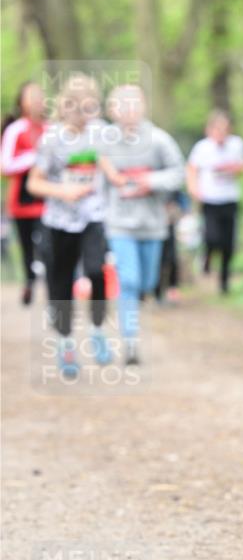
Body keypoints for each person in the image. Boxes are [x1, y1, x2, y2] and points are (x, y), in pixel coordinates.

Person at [27, 73, 111, 376]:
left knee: (95, 272)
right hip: (59, 222)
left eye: (91, 108)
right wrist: (63, 191)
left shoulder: (101, 132)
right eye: (79, 109)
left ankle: (98, 331)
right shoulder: (51, 139)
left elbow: (110, 159)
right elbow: (33, 183)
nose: (85, 115)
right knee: (60, 285)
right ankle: (65, 345)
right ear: (65, 107)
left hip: (93, 217)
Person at [100, 84, 184, 365]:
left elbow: (178, 173)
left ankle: (136, 309)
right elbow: (98, 183)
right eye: (121, 104)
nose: (128, 110)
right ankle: (131, 342)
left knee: (146, 281)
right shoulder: (105, 143)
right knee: (130, 280)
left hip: (152, 225)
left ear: (144, 106)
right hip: (119, 225)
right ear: (112, 110)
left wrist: (150, 182)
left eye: (134, 103)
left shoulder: (159, 140)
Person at [186, 109, 243, 293]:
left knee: (228, 243)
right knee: (212, 237)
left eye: (224, 129)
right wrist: (194, 189)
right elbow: (192, 169)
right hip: (210, 199)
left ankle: (224, 280)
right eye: (217, 129)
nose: (220, 133)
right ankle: (207, 256)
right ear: (209, 130)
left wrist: (235, 169)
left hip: (230, 199)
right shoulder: (202, 148)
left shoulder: (237, 145)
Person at [1, 82, 48, 304]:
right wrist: (32, 159)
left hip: (48, 199)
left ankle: (50, 283)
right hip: (21, 200)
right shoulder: (15, 130)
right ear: (21, 101)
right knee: (27, 245)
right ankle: (30, 280)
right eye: (31, 96)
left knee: (46, 243)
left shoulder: (52, 129)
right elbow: (5, 165)